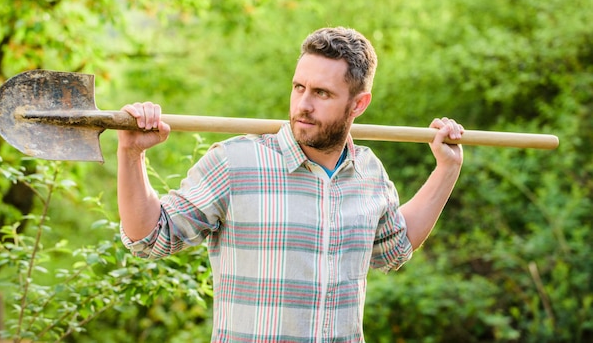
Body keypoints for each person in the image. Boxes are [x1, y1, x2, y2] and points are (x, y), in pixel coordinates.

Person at [117, 27, 464, 342]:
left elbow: (394, 248)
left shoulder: (368, 173)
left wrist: (447, 170)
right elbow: (149, 237)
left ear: (358, 103)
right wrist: (131, 154)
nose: (303, 105)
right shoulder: (236, 163)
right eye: (299, 88)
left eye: (322, 93)